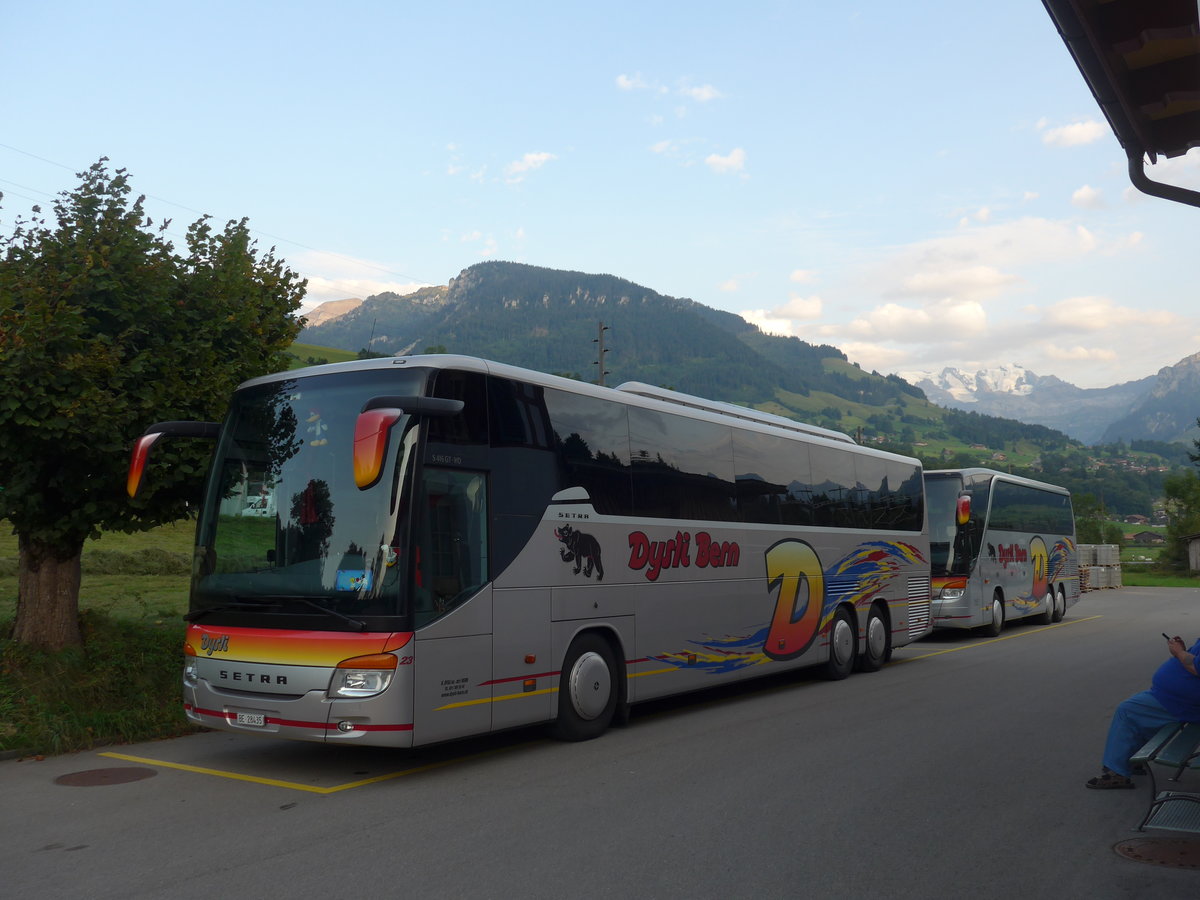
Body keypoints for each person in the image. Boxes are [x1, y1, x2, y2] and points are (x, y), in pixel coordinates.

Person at [1086, 634, 1200, 789]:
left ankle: (1118, 773)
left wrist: (1179, 652)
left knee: (1128, 711)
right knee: (1139, 710)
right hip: (1176, 699)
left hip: (1181, 703)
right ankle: (1131, 759)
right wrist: (1184, 652)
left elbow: (1196, 666)